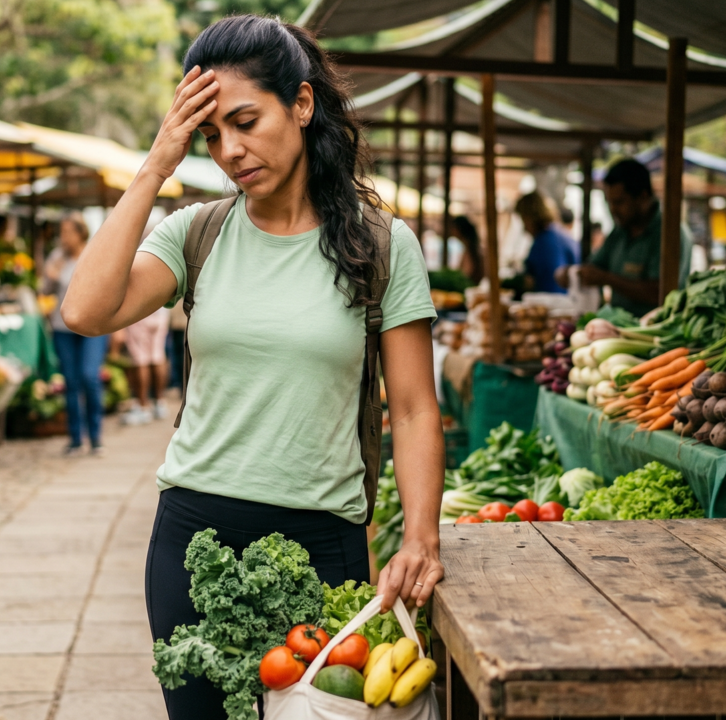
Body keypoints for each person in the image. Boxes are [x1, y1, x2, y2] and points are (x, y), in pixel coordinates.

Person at [60, 16, 445, 719]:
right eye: (211, 135)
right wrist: (156, 164)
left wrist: (420, 538)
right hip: (192, 537)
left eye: (245, 121)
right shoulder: (195, 235)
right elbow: (84, 312)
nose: (230, 150)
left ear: (301, 105)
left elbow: (416, 407)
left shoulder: (383, 246)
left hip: (323, 543)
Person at [558, 158, 691, 316]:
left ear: (642, 196)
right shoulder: (619, 232)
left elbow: (661, 292)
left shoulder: (671, 234)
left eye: (620, 202)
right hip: (617, 326)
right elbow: (595, 266)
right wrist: (572, 274)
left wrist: (608, 279)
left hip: (654, 333)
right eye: (610, 203)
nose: (613, 209)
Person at [42, 213, 107, 456]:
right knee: (71, 382)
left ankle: (96, 437)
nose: (63, 237)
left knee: (90, 377)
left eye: (68, 232)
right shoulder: (57, 258)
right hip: (63, 328)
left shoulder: (93, 253)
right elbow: (45, 290)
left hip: (92, 326)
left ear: (81, 233)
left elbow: (104, 287)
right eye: (62, 232)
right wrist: (50, 277)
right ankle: (76, 440)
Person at [516, 191, 579, 294]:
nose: (524, 228)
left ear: (531, 218)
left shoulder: (545, 243)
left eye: (524, 220)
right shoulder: (558, 233)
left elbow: (549, 286)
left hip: (554, 303)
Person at [121, 306, 170, 425]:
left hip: (140, 312)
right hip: (161, 312)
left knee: (140, 359)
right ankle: (160, 404)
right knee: (158, 356)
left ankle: (143, 408)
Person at [449, 215, 483, 284]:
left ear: (458, 229)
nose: (451, 230)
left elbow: (467, 272)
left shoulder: (469, 247)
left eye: (453, 228)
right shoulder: (470, 246)